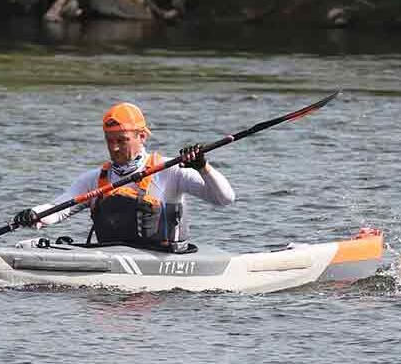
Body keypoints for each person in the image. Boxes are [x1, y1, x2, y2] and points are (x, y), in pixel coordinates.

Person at [12, 102, 235, 252]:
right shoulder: (94, 179)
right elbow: (58, 207)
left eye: (122, 140)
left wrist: (203, 167)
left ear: (141, 136)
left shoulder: (170, 170)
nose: (115, 148)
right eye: (110, 140)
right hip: (111, 259)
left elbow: (224, 199)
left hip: (166, 259)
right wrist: (35, 215)